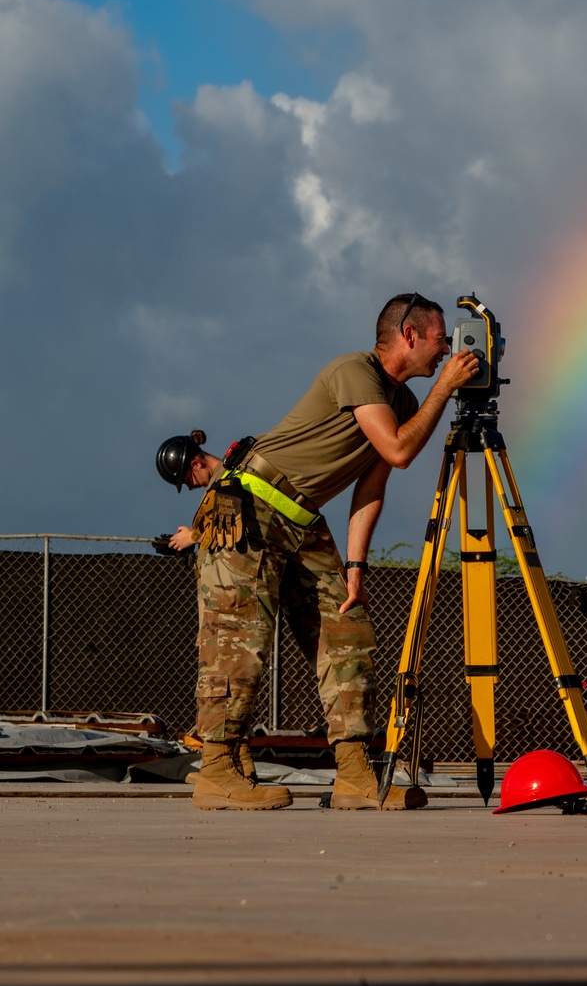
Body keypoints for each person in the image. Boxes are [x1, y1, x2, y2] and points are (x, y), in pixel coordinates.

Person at [190, 293, 479, 813]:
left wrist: (355, 567)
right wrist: (445, 388)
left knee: (348, 633)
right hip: (250, 506)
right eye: (442, 339)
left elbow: (373, 484)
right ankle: (216, 770)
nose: (448, 351)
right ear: (409, 335)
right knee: (239, 642)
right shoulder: (355, 370)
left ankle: (353, 775)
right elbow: (398, 449)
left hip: (302, 520)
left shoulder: (405, 404)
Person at [155, 430, 260, 784]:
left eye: (189, 478)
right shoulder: (222, 482)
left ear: (197, 462)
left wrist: (194, 535)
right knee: (226, 681)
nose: (192, 484)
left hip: (231, 604)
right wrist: (188, 540)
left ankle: (227, 767)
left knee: (225, 681)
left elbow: (232, 529)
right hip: (220, 601)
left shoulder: (228, 480)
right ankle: (238, 764)